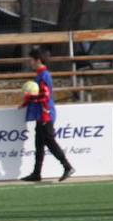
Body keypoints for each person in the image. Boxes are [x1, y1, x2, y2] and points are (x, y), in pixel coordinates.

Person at [19, 47, 75, 182]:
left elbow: (45, 97)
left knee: (49, 141)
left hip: (45, 113)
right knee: (39, 143)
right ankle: (36, 173)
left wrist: (30, 98)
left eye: (31, 60)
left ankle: (67, 166)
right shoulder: (41, 75)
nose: (30, 62)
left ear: (37, 60)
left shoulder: (44, 75)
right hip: (42, 114)